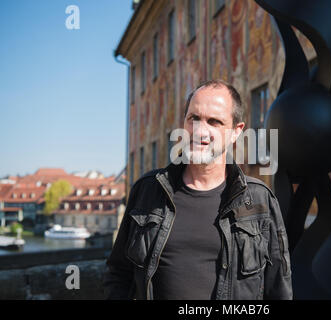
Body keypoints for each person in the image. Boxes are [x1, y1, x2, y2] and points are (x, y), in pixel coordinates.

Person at [103, 79, 292, 300]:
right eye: (194, 118)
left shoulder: (259, 200)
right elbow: (118, 274)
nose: (201, 131)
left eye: (214, 122)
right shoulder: (148, 191)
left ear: (236, 132)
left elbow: (279, 287)